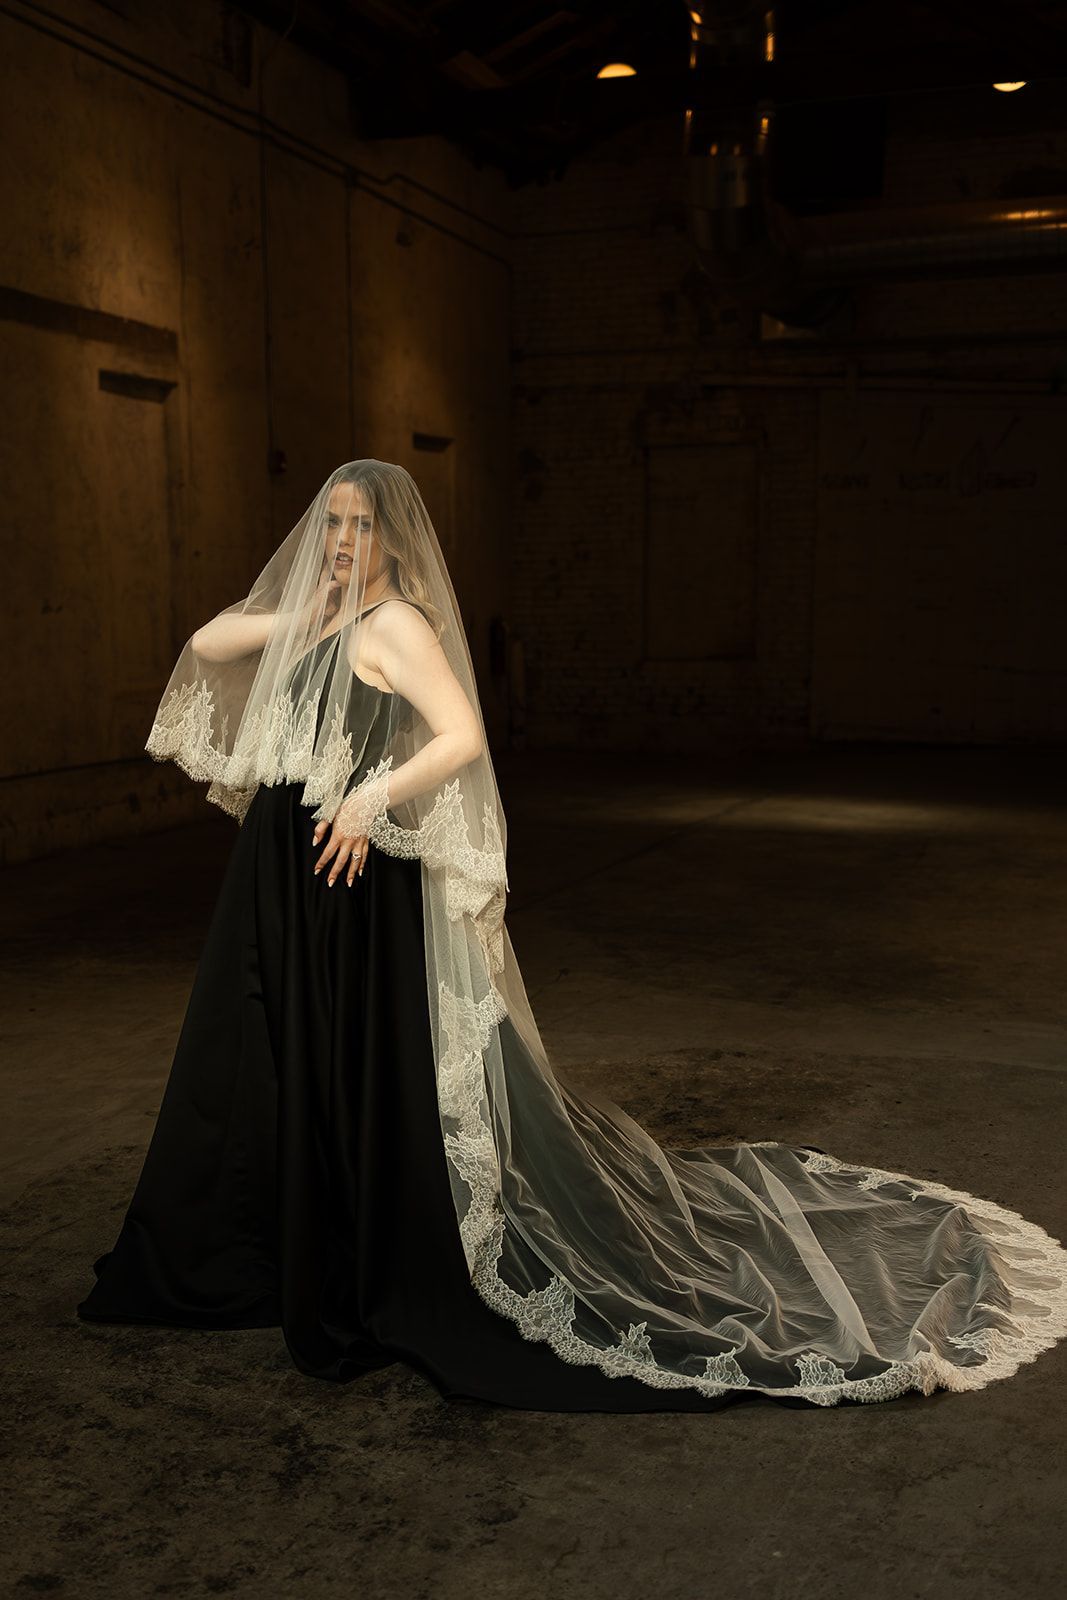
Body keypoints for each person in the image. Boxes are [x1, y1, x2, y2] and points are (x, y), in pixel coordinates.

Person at [78, 460, 1067, 1411]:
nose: (341, 540)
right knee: (270, 1057)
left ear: (394, 539)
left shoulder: (395, 625)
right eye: (330, 522)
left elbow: (462, 735)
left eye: (360, 526)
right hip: (288, 884)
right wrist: (307, 602)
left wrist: (371, 797)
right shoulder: (328, 613)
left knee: (356, 1068)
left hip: (351, 882)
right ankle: (281, 1237)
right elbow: (210, 640)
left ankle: (364, 1244)